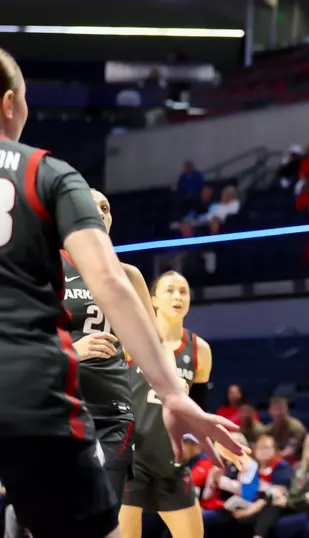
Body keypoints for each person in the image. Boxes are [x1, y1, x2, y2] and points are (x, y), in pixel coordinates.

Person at [0, 48, 242, 538]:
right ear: (10, 103)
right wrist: (175, 394)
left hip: (104, 407)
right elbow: (108, 283)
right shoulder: (45, 172)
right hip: (32, 391)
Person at [65, 189, 156, 505]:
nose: (101, 213)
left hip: (113, 414)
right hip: (59, 408)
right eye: (92, 207)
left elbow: (153, 348)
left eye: (106, 207)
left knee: (102, 510)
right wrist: (75, 351)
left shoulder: (128, 275)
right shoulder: (44, 269)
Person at [120, 270, 219, 538]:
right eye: (170, 290)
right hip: (131, 458)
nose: (178, 296)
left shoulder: (200, 349)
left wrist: (221, 444)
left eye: (183, 291)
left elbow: (199, 413)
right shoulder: (131, 338)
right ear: (152, 299)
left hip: (171, 463)